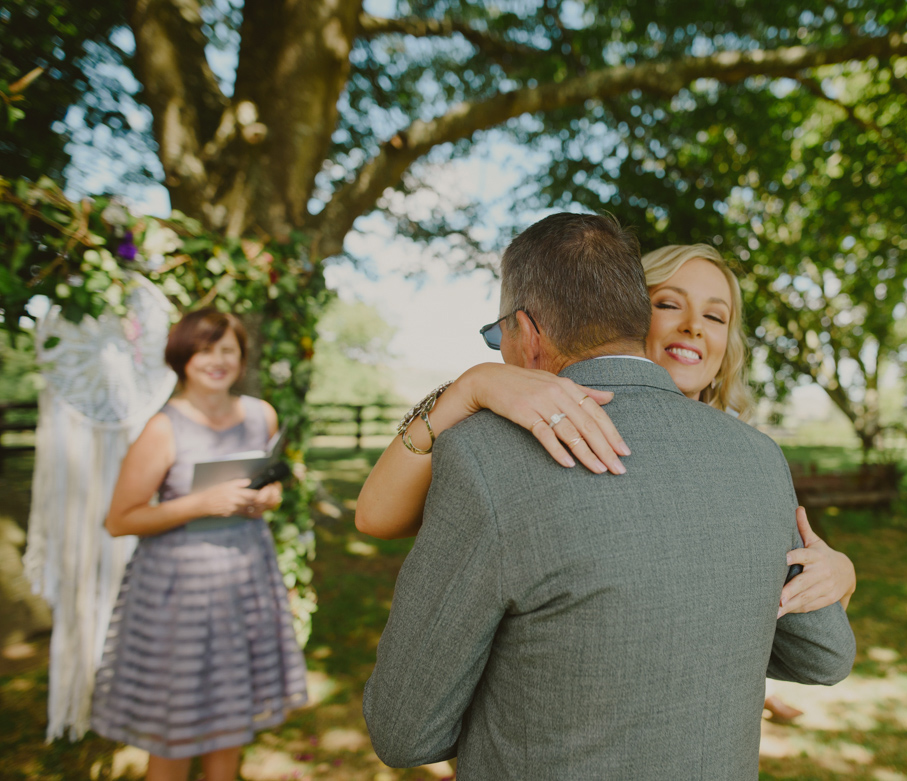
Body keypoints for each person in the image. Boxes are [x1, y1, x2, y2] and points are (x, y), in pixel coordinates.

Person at [362, 213, 855, 777]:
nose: (693, 327)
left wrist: (841, 572)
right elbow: (824, 654)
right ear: (634, 312)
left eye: (715, 315)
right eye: (671, 303)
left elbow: (403, 733)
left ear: (529, 331)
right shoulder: (760, 459)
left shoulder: (490, 457)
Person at [90, 309, 308, 781]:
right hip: (179, 591)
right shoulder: (162, 429)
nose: (217, 360)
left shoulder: (260, 414)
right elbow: (119, 520)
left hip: (245, 580)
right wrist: (200, 503)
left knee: (231, 718)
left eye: (227, 349)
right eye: (205, 349)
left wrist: (266, 497)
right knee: (178, 725)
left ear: (241, 357)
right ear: (183, 357)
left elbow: (266, 486)